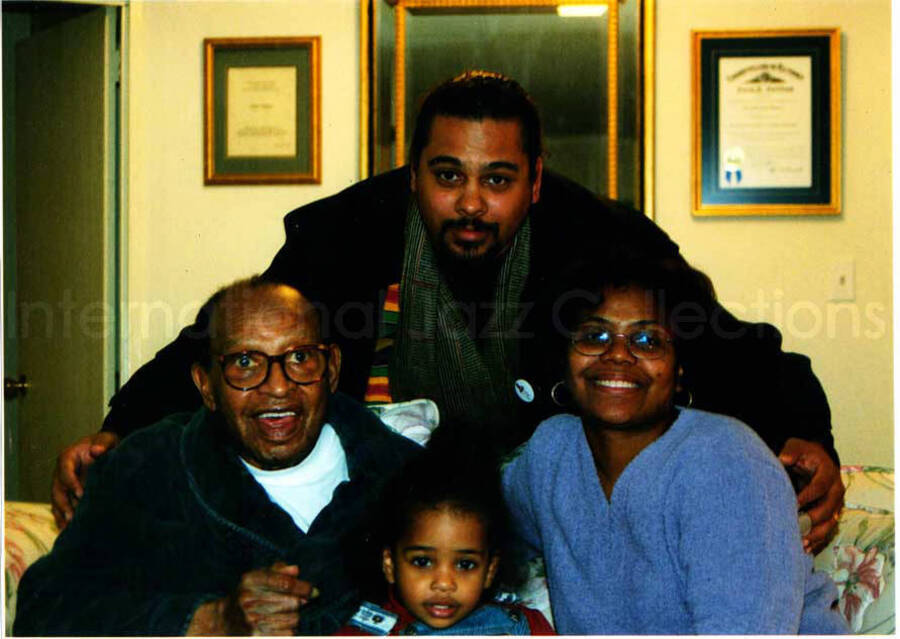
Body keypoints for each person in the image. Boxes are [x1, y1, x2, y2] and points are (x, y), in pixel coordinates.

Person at [52, 71, 843, 551]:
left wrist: (805, 429)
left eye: (498, 180)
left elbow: (724, 343)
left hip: (547, 506)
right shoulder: (344, 235)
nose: (470, 202)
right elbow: (229, 339)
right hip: (390, 512)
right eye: (446, 176)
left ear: (534, 183)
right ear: (413, 176)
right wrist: (118, 430)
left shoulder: (597, 237)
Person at [14, 278, 420, 636]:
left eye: (299, 358)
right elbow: (46, 608)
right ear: (205, 386)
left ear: (331, 369)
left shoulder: (406, 474)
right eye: (245, 363)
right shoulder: (149, 467)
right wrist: (209, 621)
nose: (278, 387)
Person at [501, 258, 849, 634]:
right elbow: (482, 526)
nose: (618, 354)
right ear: (565, 359)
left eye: (647, 341)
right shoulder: (552, 453)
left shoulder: (727, 463)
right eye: (594, 336)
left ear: (680, 368)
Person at [337, 446, 554, 635]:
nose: (444, 583)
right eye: (422, 562)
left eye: (465, 564)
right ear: (390, 564)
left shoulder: (525, 627)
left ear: (489, 570)